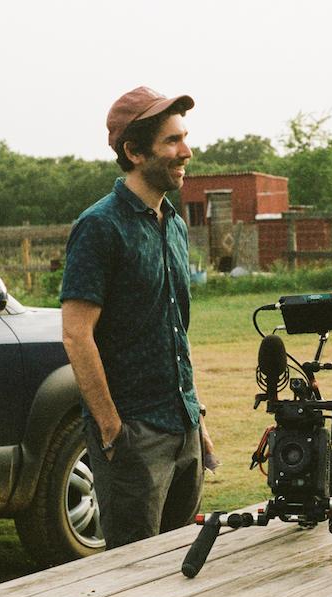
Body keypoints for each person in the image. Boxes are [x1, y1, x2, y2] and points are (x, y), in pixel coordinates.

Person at [61, 86, 217, 550]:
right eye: (172, 141)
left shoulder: (174, 222)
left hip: (182, 425)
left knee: (180, 565)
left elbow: (173, 331)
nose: (186, 151)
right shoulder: (100, 226)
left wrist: (197, 418)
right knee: (131, 576)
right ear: (133, 151)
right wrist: (111, 431)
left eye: (184, 138)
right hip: (133, 436)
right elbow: (75, 334)